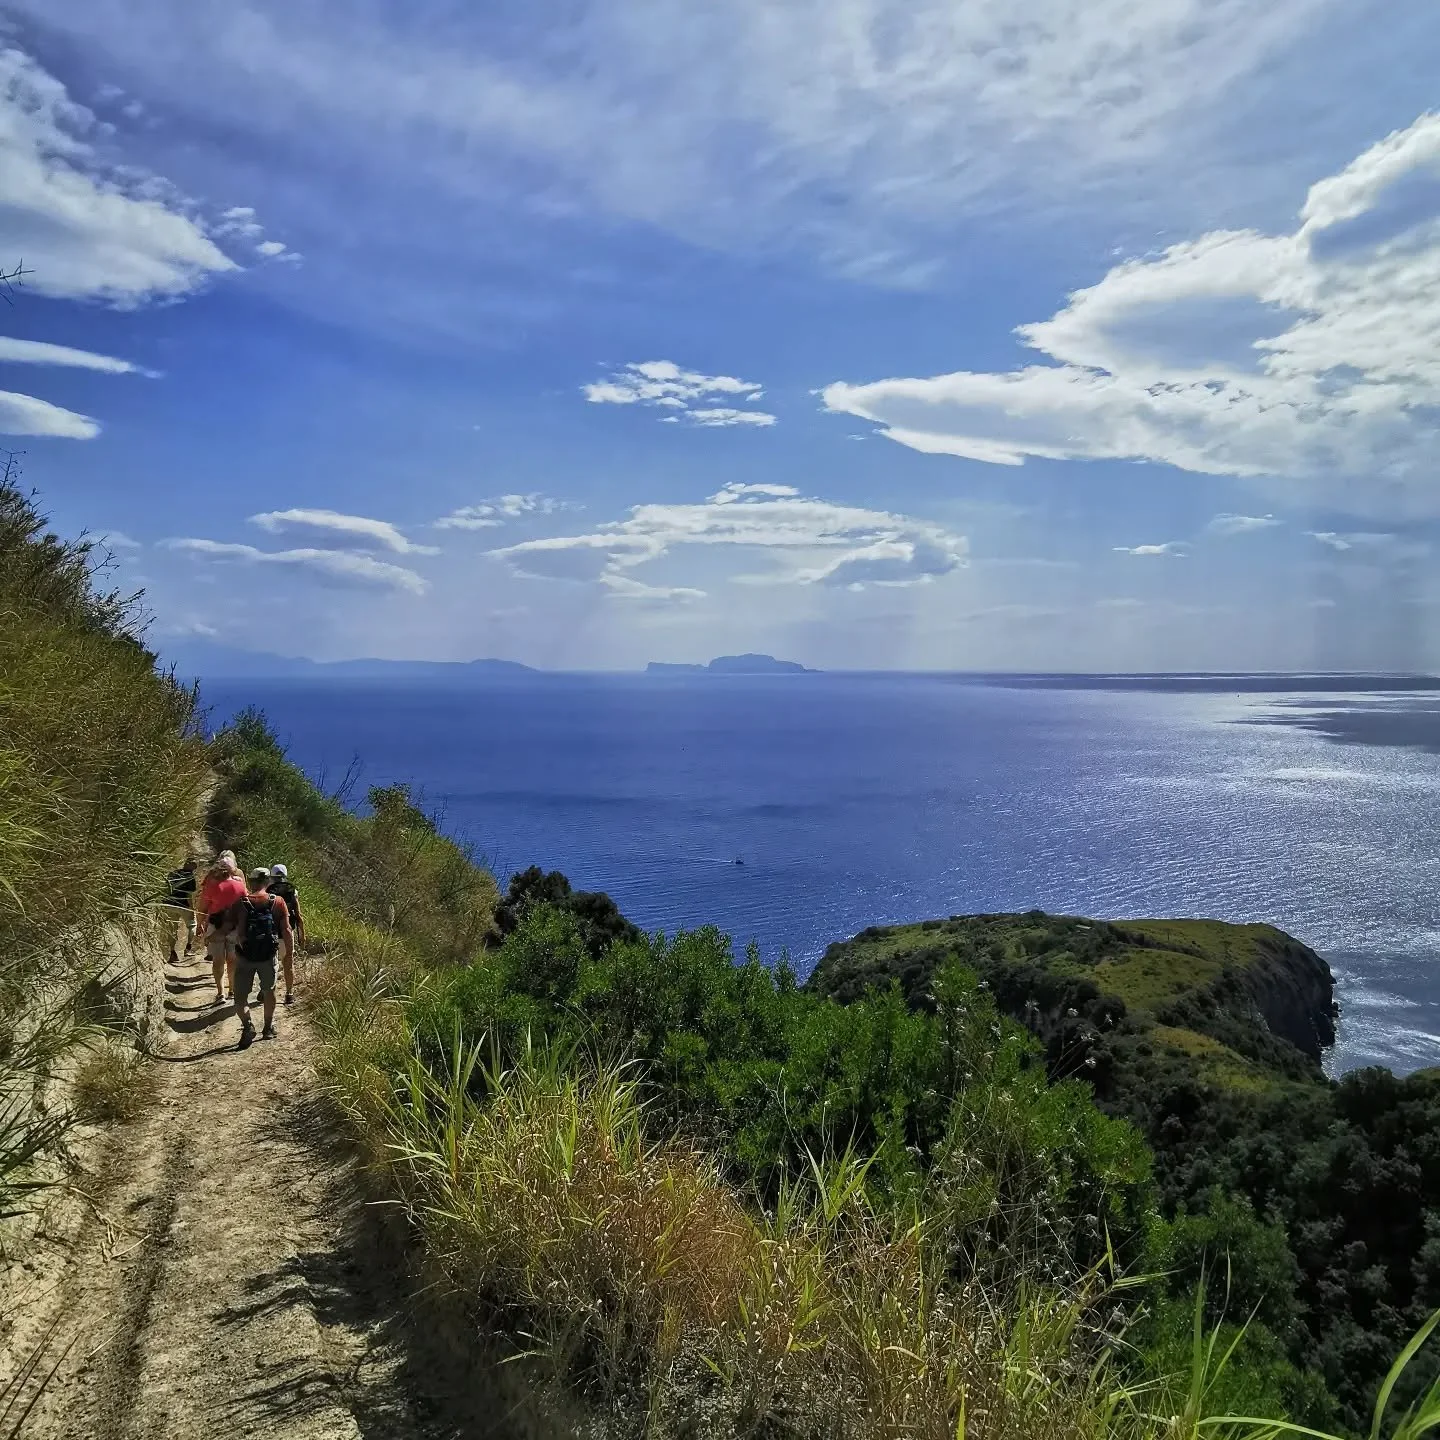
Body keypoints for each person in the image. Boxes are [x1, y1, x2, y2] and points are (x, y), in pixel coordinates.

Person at [214, 867, 292, 1048]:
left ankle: (248, 1025)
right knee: (269, 990)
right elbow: (286, 930)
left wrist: (211, 937)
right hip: (268, 955)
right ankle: (268, 1028)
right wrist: (288, 952)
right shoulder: (278, 902)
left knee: (240, 997)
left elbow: (226, 928)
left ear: (250, 882)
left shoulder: (240, 903)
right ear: (268, 883)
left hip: (245, 955)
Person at [197, 852, 247, 1006]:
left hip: (215, 927)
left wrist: (200, 924)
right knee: (232, 960)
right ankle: (232, 990)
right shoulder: (240, 885)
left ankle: (221, 993)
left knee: (218, 961)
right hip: (234, 928)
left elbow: (202, 908)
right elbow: (246, 907)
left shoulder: (212, 885)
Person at [266, 862, 305, 1005]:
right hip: (288, 931)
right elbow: (298, 915)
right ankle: (289, 994)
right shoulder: (292, 891)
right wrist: (302, 934)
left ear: (272, 876)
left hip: (271, 932)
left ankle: (268, 990)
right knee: (288, 964)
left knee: (271, 964)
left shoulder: (267, 890)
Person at [163, 857, 199, 960]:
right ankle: (188, 948)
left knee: (172, 929)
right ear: (192, 866)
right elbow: (189, 895)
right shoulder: (190, 877)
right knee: (192, 925)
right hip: (183, 905)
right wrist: (192, 909)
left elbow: (166, 889)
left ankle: (172, 952)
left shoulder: (173, 873)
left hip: (170, 904)